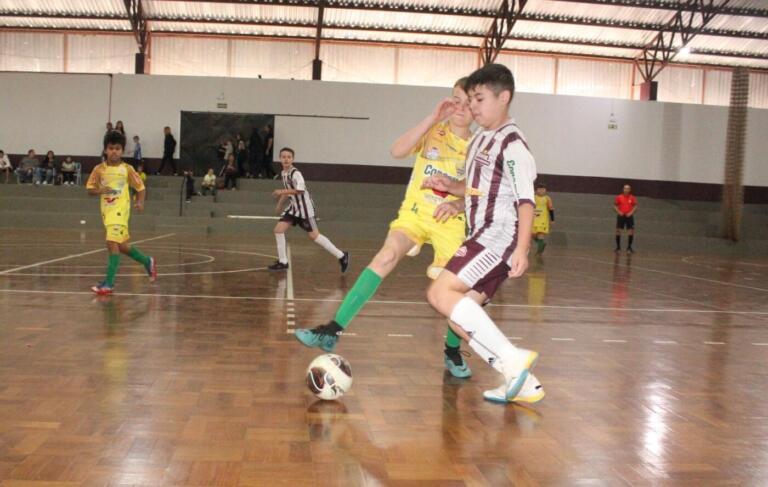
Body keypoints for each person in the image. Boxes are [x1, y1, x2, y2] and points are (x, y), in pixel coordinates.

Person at [294, 78, 477, 378]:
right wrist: (433, 117)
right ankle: (332, 330)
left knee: (455, 289)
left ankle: (453, 351)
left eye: (469, 102)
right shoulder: (433, 131)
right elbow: (397, 150)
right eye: (456, 99)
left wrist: (457, 203)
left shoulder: (477, 145)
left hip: (450, 221)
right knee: (386, 255)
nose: (461, 107)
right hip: (414, 214)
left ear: (477, 107)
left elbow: (477, 189)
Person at [422, 63, 541, 404]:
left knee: (440, 294)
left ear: (504, 98)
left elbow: (525, 200)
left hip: (498, 237)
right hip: (483, 232)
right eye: (470, 99)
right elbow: (480, 190)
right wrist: (452, 190)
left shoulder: (513, 144)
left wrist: (522, 249)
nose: (472, 106)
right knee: (462, 317)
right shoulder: (481, 140)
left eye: (479, 98)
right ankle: (523, 380)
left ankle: (512, 359)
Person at [86, 131, 157, 295]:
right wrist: (100, 190)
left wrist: (140, 202)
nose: (114, 151)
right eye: (111, 148)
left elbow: (141, 188)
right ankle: (148, 261)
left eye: (118, 148)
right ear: (105, 150)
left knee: (111, 242)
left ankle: (109, 284)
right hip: (107, 211)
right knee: (121, 246)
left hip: (120, 211)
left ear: (122, 151)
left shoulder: (127, 169)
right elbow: (90, 189)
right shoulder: (99, 170)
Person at [269, 147, 349, 273]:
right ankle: (283, 262)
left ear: (293, 159)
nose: (286, 159)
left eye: (289, 157)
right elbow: (288, 189)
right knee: (278, 230)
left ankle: (342, 255)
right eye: (283, 157)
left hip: (305, 209)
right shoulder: (284, 173)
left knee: (314, 236)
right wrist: (280, 204)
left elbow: (300, 190)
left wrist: (281, 191)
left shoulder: (296, 173)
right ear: (280, 158)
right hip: (294, 207)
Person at [614, 183, 637, 253]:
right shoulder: (619, 197)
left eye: (628, 188)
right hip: (621, 216)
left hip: (629, 216)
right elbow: (614, 206)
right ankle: (618, 247)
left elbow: (635, 206)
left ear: (630, 190)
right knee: (618, 231)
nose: (626, 190)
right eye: (625, 188)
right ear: (623, 189)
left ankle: (629, 248)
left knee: (631, 231)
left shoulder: (632, 197)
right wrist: (618, 211)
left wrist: (631, 213)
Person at [532, 182, 554, 255]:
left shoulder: (547, 198)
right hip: (534, 219)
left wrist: (552, 219)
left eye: (543, 189)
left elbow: (551, 209)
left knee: (541, 234)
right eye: (539, 189)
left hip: (543, 219)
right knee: (531, 234)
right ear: (536, 190)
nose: (541, 191)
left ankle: (539, 251)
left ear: (545, 190)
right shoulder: (533, 197)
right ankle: (541, 244)